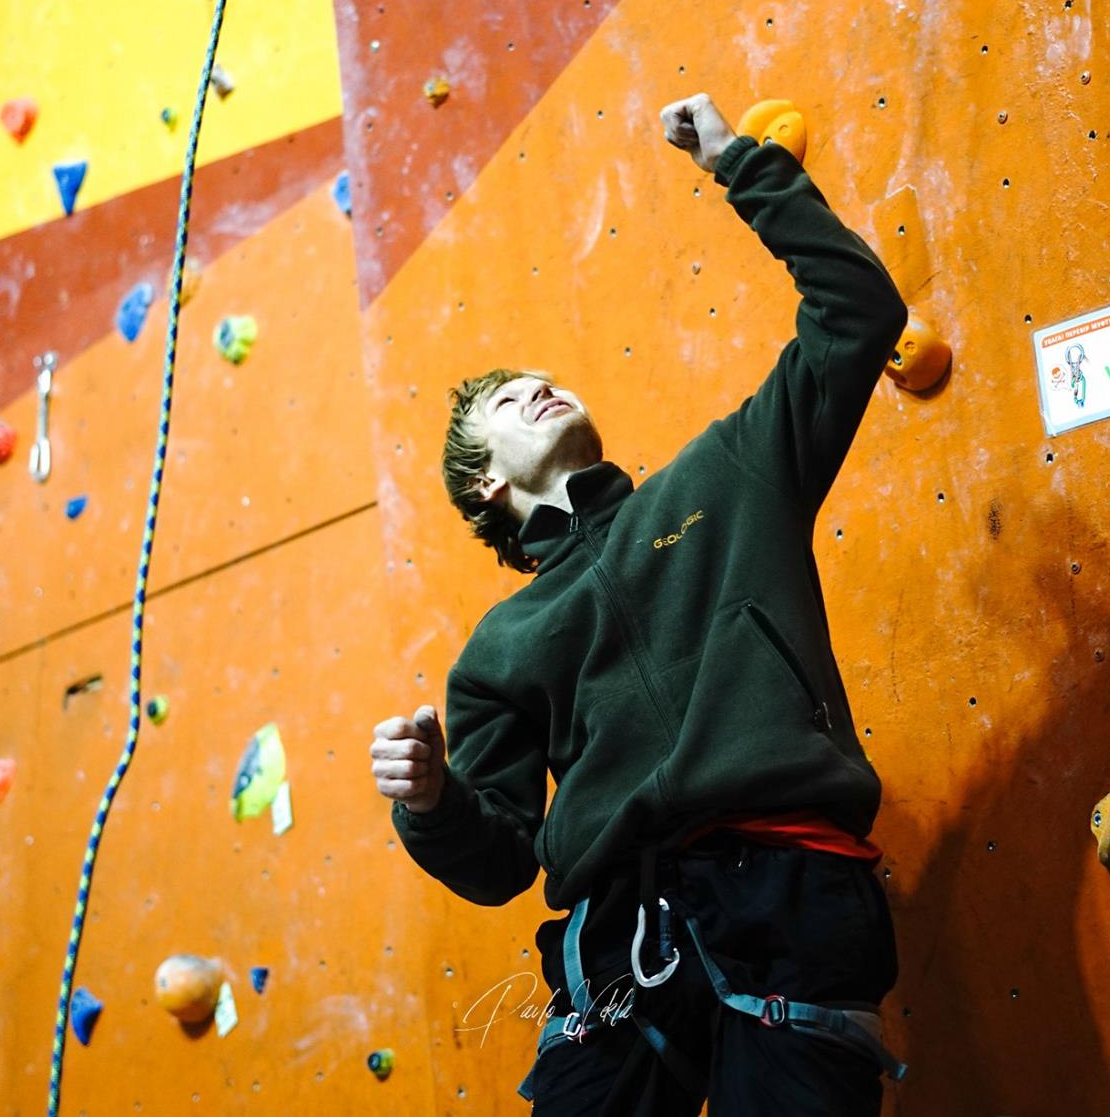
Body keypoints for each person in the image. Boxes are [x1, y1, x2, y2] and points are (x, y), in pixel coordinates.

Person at [369, 93, 910, 1115]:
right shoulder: (501, 648)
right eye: (505, 401)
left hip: (789, 885)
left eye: (540, 378)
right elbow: (497, 862)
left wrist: (737, 164)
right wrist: (431, 804)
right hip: (618, 939)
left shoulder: (728, 473)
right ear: (486, 486)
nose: (537, 386)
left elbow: (858, 317)